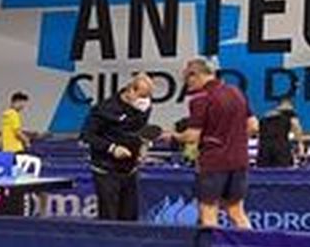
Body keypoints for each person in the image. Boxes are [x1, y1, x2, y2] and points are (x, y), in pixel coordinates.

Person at [171, 58, 253, 229]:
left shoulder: (200, 98)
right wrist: (233, 138)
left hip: (214, 162)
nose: (187, 84)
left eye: (187, 78)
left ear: (196, 75)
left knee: (208, 210)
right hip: (240, 160)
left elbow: (192, 136)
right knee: (236, 211)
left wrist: (174, 136)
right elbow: (253, 125)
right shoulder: (236, 92)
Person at [80, 73, 154, 222]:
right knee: (110, 218)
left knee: (129, 218)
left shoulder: (144, 107)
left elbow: (139, 132)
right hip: (106, 170)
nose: (145, 101)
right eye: (142, 96)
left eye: (147, 97)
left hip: (130, 170)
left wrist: (143, 147)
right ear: (130, 91)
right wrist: (112, 148)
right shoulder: (104, 109)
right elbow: (87, 135)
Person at [256, 97, 303, 168]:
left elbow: (257, 130)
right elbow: (296, 127)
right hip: (281, 149)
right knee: (283, 176)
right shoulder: (289, 114)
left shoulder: (265, 116)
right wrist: (300, 145)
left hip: (264, 150)